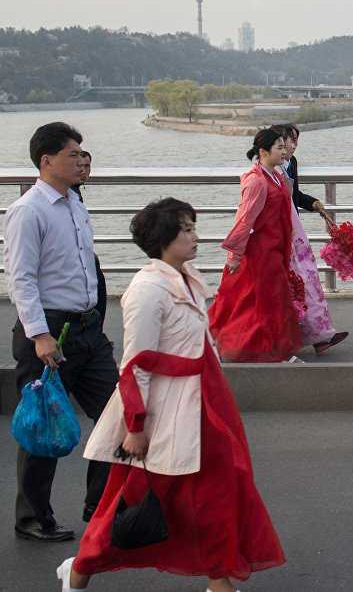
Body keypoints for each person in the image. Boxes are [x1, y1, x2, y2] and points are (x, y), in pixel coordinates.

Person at [59, 198, 285, 592]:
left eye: (193, 227)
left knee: (218, 492)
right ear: (165, 239)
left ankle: (218, 579)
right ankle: (80, 568)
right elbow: (135, 363)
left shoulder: (187, 277)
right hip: (167, 410)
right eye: (186, 230)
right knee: (138, 498)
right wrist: (135, 426)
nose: (195, 236)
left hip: (204, 402)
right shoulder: (147, 289)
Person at [4, 122, 119, 541]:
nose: (82, 161)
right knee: (43, 427)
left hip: (87, 330)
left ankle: (102, 506)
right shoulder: (28, 210)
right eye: (73, 154)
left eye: (83, 154)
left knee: (117, 414)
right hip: (51, 332)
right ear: (46, 160)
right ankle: (34, 519)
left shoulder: (74, 204)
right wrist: (39, 335)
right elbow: (21, 279)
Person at [207, 128, 303, 362]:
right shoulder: (256, 181)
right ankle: (259, 348)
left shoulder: (275, 176)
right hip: (260, 251)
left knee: (268, 299)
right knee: (261, 300)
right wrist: (234, 255)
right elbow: (245, 219)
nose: (284, 151)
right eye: (279, 147)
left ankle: (270, 348)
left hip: (275, 247)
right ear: (263, 152)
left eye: (284, 147)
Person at [275, 124, 348, 355]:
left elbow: (294, 196)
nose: (294, 146)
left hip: (294, 233)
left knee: (305, 282)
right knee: (291, 286)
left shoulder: (291, 163)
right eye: (290, 140)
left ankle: (320, 335)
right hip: (279, 236)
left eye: (296, 141)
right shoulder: (268, 169)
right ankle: (295, 338)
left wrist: (313, 203)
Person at [69, 149, 107, 328]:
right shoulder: (69, 193)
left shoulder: (73, 192)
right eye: (79, 166)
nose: (83, 170)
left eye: (87, 166)